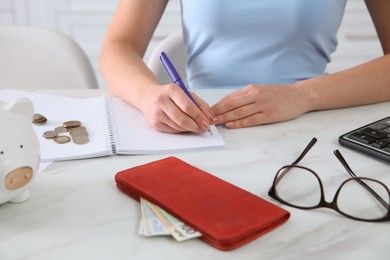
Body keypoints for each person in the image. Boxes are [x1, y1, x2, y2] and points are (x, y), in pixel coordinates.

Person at [100, 1, 390, 134]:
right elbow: (118, 46)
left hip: (311, 124)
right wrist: (147, 94)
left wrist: (303, 95)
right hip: (204, 128)